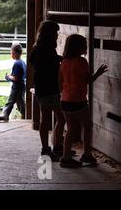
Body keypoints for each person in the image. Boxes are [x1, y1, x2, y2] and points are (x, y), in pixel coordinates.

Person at [59, 34, 108, 168]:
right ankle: (87, 154)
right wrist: (98, 73)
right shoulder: (81, 62)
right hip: (78, 100)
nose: (85, 47)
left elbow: (60, 82)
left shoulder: (64, 62)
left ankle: (65, 157)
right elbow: (88, 80)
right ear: (78, 47)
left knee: (70, 129)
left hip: (65, 100)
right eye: (84, 45)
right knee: (87, 127)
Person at [28, 20, 66, 161]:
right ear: (50, 34)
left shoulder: (38, 48)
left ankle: (47, 148)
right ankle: (55, 146)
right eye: (55, 33)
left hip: (42, 87)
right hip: (51, 88)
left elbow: (32, 61)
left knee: (46, 118)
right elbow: (51, 64)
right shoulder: (48, 49)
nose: (57, 35)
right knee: (59, 118)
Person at [0, 43, 26, 122]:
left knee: (11, 101)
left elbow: (15, 78)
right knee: (20, 102)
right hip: (22, 85)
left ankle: (5, 115)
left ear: (13, 53)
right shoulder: (22, 62)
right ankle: (26, 114)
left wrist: (8, 77)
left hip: (17, 86)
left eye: (11, 52)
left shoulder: (17, 64)